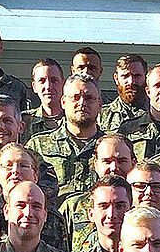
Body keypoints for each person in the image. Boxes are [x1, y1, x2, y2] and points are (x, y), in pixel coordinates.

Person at [27, 73, 104, 202]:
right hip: (53, 220)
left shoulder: (111, 148)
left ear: (100, 104)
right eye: (75, 97)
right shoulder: (37, 146)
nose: (82, 103)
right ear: (63, 102)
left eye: (89, 98)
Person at [0, 181, 66, 252]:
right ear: (7, 212)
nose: (28, 213)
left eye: (36, 206)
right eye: (20, 205)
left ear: (45, 215)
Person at [99, 54, 152, 135]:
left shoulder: (157, 114)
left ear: (146, 77)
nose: (131, 81)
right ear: (116, 78)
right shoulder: (101, 116)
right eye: (125, 76)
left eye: (137, 76)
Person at [24, 57, 65, 140]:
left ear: (63, 84)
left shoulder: (74, 119)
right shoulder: (24, 121)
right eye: (42, 81)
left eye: (54, 80)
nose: (48, 86)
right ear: (34, 86)